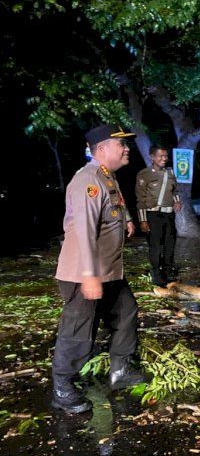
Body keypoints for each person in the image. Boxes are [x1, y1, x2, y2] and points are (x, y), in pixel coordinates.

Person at [52, 124, 149, 414]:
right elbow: (83, 229)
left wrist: (127, 220)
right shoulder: (88, 181)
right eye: (122, 144)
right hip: (85, 272)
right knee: (79, 329)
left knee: (126, 312)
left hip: (109, 272)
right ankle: (62, 386)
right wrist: (88, 275)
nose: (127, 148)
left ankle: (119, 371)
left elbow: (114, 208)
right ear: (103, 149)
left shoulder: (107, 178)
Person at [135, 145, 182, 287]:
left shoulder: (171, 172)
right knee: (155, 246)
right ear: (152, 156)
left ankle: (168, 272)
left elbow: (175, 191)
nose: (164, 159)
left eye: (166, 156)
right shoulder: (144, 174)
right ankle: (156, 275)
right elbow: (140, 199)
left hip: (168, 215)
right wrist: (143, 220)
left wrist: (177, 202)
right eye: (160, 156)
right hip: (152, 214)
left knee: (170, 244)